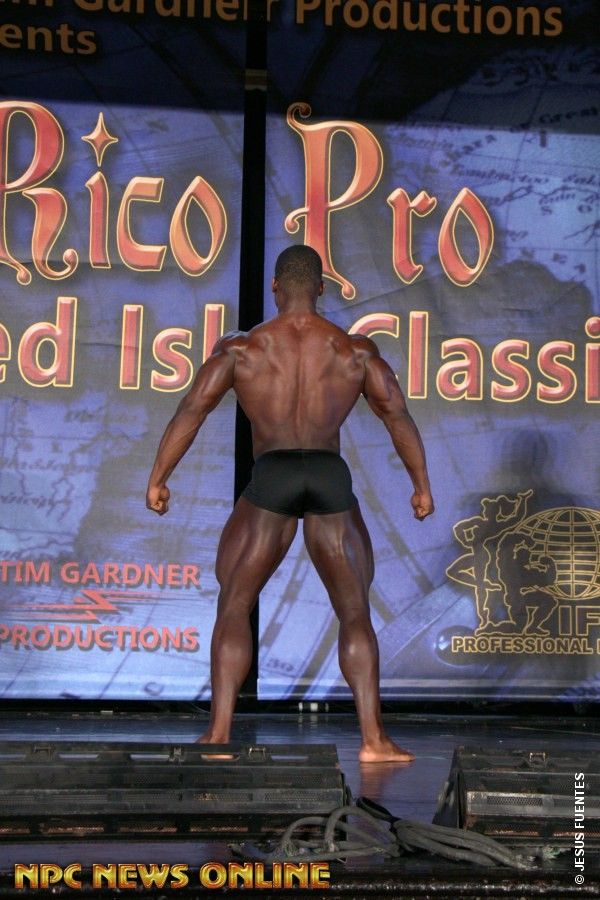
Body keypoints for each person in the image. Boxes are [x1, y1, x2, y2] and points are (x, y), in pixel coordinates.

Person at [146, 245, 434, 762]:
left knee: (235, 603)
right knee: (354, 611)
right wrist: (421, 486)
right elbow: (397, 415)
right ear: (321, 289)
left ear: (275, 287)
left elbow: (192, 408)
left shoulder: (243, 350)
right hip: (328, 475)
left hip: (273, 475)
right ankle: (374, 740)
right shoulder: (354, 351)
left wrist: (159, 478)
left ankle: (219, 735)